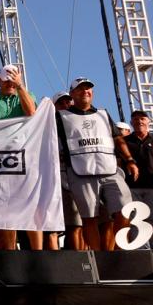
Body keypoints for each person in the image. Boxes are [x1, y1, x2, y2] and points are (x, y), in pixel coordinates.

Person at [56, 77, 135, 251]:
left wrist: (129, 160)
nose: (86, 91)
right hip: (80, 172)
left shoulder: (103, 114)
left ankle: (121, 253)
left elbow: (118, 138)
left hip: (109, 170)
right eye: (80, 89)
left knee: (123, 211)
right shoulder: (61, 116)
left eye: (88, 88)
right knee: (89, 218)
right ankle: (98, 257)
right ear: (72, 94)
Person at [0, 64, 39, 250]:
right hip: (1, 162)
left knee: (30, 207)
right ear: (0, 81)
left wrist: (20, 87)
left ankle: (39, 254)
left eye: (13, 81)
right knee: (8, 209)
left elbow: (31, 112)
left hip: (25, 159)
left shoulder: (27, 95)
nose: (10, 85)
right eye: (6, 82)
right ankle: (11, 252)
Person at [51, 90, 82, 250]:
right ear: (55, 107)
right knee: (74, 224)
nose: (65, 105)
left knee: (91, 221)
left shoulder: (82, 119)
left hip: (86, 175)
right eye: (60, 103)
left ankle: (94, 257)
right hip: (63, 178)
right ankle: (79, 260)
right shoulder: (50, 124)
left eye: (67, 101)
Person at [124, 110, 153, 237]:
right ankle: (140, 251)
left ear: (149, 121)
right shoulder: (124, 142)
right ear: (131, 122)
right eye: (135, 119)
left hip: (152, 187)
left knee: (152, 219)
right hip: (132, 187)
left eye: (142, 118)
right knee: (136, 220)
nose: (139, 121)